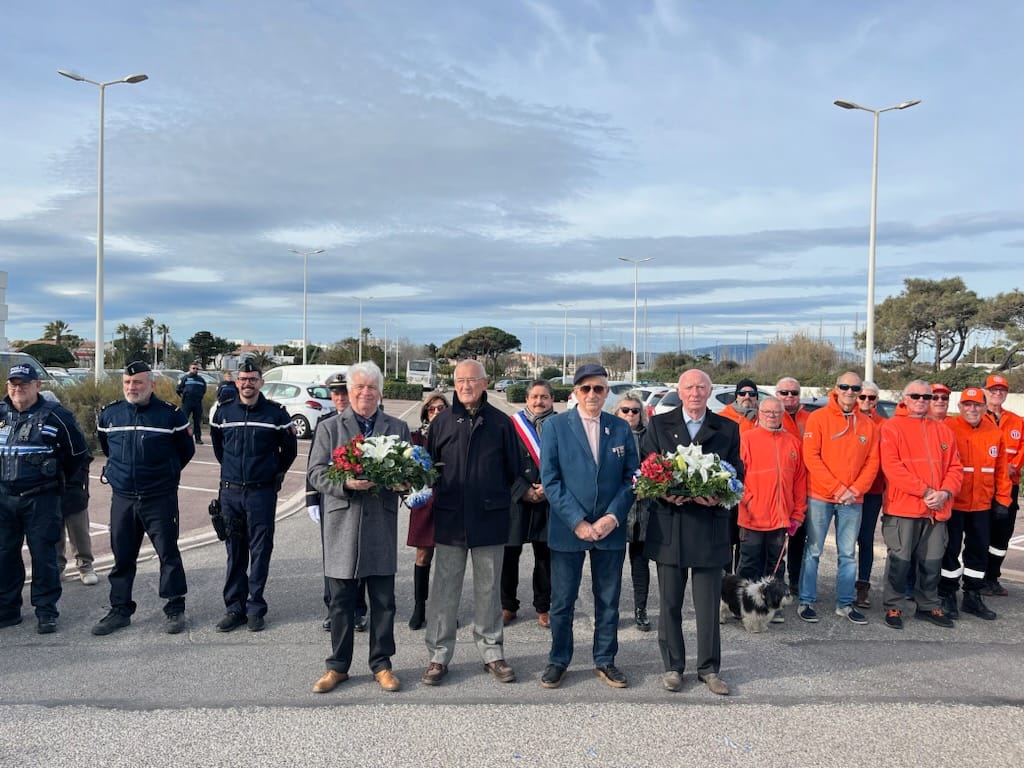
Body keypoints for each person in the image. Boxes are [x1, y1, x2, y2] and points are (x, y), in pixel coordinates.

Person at [307, 362, 410, 693]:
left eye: (371, 387)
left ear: (380, 392)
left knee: (383, 601)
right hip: (343, 523)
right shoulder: (329, 428)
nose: (365, 392)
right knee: (341, 602)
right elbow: (316, 473)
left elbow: (409, 472)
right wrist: (346, 484)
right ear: (349, 392)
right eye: (359, 387)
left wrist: (403, 483)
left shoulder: (397, 427)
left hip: (380, 522)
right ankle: (338, 666)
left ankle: (382, 664)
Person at [643, 369, 743, 696]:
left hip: (709, 527)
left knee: (707, 606)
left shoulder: (728, 428)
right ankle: (673, 667)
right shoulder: (659, 424)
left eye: (701, 387)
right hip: (670, 525)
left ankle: (709, 669)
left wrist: (719, 494)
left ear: (710, 391)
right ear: (679, 391)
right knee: (669, 604)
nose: (695, 393)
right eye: (689, 387)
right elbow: (648, 467)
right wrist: (662, 491)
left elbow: (736, 474)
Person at [539, 366, 638, 690]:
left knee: (608, 599)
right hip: (569, 529)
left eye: (599, 388)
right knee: (562, 600)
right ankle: (559, 659)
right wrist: (577, 521)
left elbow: (631, 479)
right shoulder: (555, 426)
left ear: (607, 391)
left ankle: (605, 659)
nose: (592, 394)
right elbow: (550, 481)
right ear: (575, 392)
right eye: (586, 389)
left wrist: (612, 517)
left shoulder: (620, 428)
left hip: (610, 529)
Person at [422, 359, 520, 687]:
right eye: (459, 380)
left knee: (489, 590)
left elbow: (513, 470)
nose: (465, 386)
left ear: (485, 383)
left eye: (472, 380)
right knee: (444, 591)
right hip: (450, 520)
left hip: (489, 519)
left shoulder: (502, 424)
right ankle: (438, 656)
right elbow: (428, 470)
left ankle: (492, 653)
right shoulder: (441, 423)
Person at [92, 361, 195, 636]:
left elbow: (185, 451)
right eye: (127, 382)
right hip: (123, 497)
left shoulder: (170, 416)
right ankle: (120, 610)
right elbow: (107, 449)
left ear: (152, 384)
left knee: (168, 554)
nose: (131, 387)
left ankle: (175, 608)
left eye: (137, 382)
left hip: (158, 497)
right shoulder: (110, 415)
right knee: (122, 556)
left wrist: (166, 475)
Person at [0, 364, 89, 634]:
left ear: (37, 385)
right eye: (13, 384)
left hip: (42, 498)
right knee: (4, 556)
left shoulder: (56, 416)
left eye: (24, 383)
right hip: (4, 499)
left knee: (44, 555)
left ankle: (46, 611)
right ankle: (7, 610)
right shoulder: (0, 412)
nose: (18, 388)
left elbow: (78, 454)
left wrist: (63, 487)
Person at [210, 360, 297, 632]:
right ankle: (234, 608)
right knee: (234, 552)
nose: (247, 383)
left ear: (261, 382)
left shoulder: (277, 415)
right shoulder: (223, 413)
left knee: (260, 551)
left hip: (261, 493)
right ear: (236, 382)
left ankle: (255, 607)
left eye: (252, 379)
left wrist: (273, 474)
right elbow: (219, 449)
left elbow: (289, 452)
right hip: (231, 493)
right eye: (243, 379)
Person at [878, 380, 963, 630]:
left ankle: (927, 605)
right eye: (916, 396)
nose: (922, 400)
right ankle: (893, 605)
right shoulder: (891, 427)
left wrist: (945, 492)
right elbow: (892, 468)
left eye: (927, 397)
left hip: (936, 510)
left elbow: (955, 468)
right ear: (904, 398)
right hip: (904, 508)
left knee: (932, 561)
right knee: (900, 561)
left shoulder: (943, 430)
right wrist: (925, 491)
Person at [798, 372, 879, 625]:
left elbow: (872, 463)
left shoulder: (868, 424)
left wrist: (854, 491)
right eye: (845, 386)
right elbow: (811, 457)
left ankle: (845, 603)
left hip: (853, 500)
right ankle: (806, 600)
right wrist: (837, 489)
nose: (850, 391)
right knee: (813, 550)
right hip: (822, 496)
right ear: (836, 388)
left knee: (847, 554)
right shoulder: (818, 418)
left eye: (855, 388)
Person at [940, 387, 1011, 621]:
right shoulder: (948, 429)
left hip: (982, 504)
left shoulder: (994, 432)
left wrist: (1003, 500)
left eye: (977, 405)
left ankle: (972, 595)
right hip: (954, 503)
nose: (972, 409)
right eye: (967, 405)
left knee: (978, 551)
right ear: (959, 407)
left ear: (984, 407)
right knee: (949, 550)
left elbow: (1002, 470)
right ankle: (947, 594)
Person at [306, 373, 368, 632]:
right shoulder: (325, 423)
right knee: (333, 556)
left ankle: (357, 610)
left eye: (344, 392)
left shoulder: (365, 423)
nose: (340, 398)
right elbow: (314, 464)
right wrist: (311, 499)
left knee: (361, 554)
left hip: (360, 497)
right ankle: (334, 608)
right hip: (330, 497)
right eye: (335, 393)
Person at [737, 397, 806, 613]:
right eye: (767, 411)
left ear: (782, 414)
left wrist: (797, 514)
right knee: (749, 563)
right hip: (753, 516)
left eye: (776, 412)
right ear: (759, 412)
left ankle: (771, 607)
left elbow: (800, 482)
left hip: (781, 517)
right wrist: (747, 501)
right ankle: (744, 606)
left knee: (775, 566)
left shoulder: (793, 443)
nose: (771, 415)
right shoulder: (746, 439)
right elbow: (736, 478)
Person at [502, 380, 554, 629]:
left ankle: (543, 607)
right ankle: (507, 605)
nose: (539, 401)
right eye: (534, 396)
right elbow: (502, 462)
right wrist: (522, 490)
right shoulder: (511, 425)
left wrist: (548, 487)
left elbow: (567, 461)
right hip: (517, 499)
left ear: (552, 400)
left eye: (544, 397)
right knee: (509, 554)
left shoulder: (560, 425)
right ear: (527, 399)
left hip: (548, 499)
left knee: (544, 557)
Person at [406, 392, 449, 630]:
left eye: (441, 408)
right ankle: (419, 607)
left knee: (448, 558)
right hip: (425, 502)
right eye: (432, 409)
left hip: (450, 502)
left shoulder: (456, 435)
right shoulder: (415, 438)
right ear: (425, 412)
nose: (436, 413)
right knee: (423, 556)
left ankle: (445, 608)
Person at [982, 374, 1024, 596]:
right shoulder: (978, 417)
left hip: (1009, 485)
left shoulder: (1017, 420)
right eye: (993, 389)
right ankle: (977, 578)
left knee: (1002, 534)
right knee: (981, 532)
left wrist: (1013, 466)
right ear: (986, 391)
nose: (998, 393)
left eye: (1002, 390)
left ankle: (992, 578)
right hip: (985, 485)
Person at [616, 390, 653, 631]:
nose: (630, 415)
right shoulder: (608, 435)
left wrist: (648, 486)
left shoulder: (651, 437)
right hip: (618, 511)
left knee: (640, 565)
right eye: (625, 410)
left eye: (635, 410)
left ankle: (641, 609)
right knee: (612, 567)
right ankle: (611, 611)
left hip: (645, 511)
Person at [854, 381, 886, 610]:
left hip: (872, 492)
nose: (866, 401)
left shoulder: (884, 425)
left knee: (865, 540)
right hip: (845, 492)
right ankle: (843, 586)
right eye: (862, 396)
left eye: (871, 398)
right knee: (845, 544)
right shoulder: (847, 419)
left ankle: (862, 586)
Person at [776, 377, 810, 596]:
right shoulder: (770, 416)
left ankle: (796, 579)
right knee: (777, 541)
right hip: (778, 489)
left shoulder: (811, 419)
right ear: (776, 394)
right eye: (784, 392)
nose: (790, 396)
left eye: (794, 393)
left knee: (799, 538)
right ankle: (775, 583)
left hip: (805, 487)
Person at [56, 454, 97, 585]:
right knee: (53, 531)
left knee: (79, 529)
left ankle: (85, 565)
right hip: (49, 486)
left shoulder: (72, 432)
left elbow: (85, 454)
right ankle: (56, 567)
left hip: (74, 484)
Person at [176, 361, 208, 444]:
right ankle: (183, 438)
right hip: (187, 402)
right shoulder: (185, 378)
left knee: (197, 421)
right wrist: (184, 396)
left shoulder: (201, 380)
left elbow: (204, 390)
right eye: (193, 368)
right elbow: (178, 389)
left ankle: (198, 438)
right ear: (190, 369)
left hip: (197, 402)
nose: (195, 370)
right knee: (184, 420)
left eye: (197, 368)